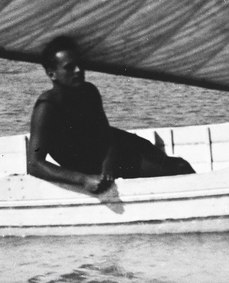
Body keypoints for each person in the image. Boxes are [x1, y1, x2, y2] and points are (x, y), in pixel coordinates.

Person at [27, 35, 194, 194]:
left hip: (117, 153)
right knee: (180, 167)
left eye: (80, 64)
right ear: (51, 74)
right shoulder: (46, 107)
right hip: (91, 166)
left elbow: (106, 137)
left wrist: (107, 170)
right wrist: (83, 179)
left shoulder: (89, 91)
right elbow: (34, 164)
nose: (78, 70)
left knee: (172, 163)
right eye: (69, 67)